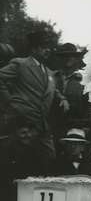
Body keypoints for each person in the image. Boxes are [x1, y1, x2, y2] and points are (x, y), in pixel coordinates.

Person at [0, 30, 67, 160]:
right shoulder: (21, 64)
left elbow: (51, 89)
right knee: (17, 158)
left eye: (49, 47)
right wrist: (10, 102)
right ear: (34, 49)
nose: (47, 50)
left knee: (48, 158)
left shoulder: (48, 72)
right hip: (21, 122)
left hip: (41, 124)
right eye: (43, 47)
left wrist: (63, 99)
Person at [0, 116, 51, 201]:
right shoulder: (6, 150)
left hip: (31, 194)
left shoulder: (37, 149)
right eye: (23, 133)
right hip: (10, 196)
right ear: (15, 134)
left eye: (29, 132)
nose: (27, 135)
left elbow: (42, 170)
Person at [51, 42, 88, 138]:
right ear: (59, 58)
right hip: (53, 126)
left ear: (76, 58)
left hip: (76, 128)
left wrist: (85, 125)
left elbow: (90, 105)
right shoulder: (51, 77)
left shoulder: (84, 79)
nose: (68, 58)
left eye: (71, 56)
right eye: (64, 56)